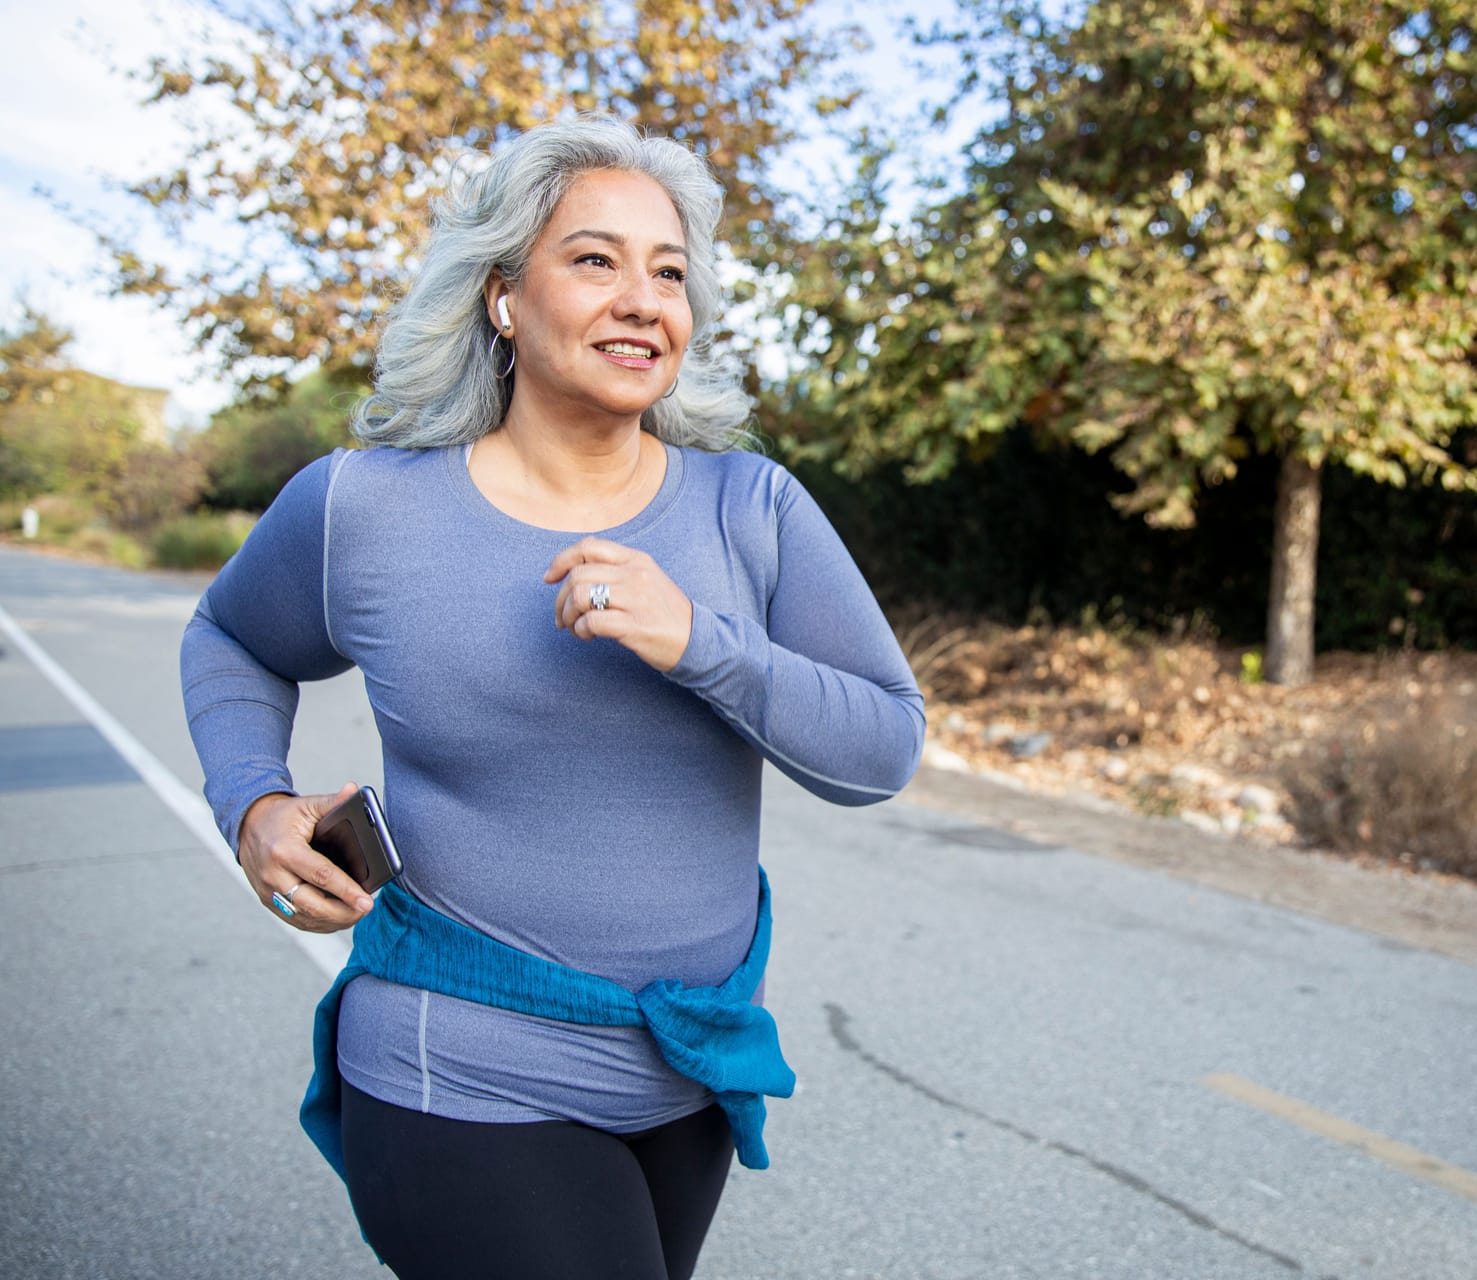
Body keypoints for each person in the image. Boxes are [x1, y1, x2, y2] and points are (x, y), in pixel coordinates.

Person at [180, 117, 925, 1280]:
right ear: (500, 297)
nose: (643, 299)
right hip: (458, 1063)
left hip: (689, 1074)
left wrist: (701, 643)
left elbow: (883, 744)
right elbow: (231, 632)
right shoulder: (365, 509)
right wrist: (253, 802)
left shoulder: (754, 509)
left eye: (669, 272)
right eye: (595, 259)